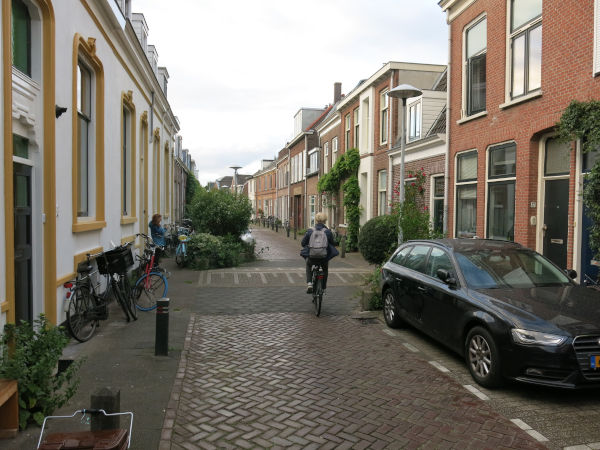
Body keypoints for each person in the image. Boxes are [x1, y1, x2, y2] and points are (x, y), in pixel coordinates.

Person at [301, 212, 339, 294]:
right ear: (325, 221)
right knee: (325, 269)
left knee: (308, 265)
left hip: (312, 257)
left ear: (316, 220)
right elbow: (333, 243)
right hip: (323, 257)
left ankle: (309, 284)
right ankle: (323, 287)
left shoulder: (310, 231)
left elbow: (303, 243)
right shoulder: (328, 232)